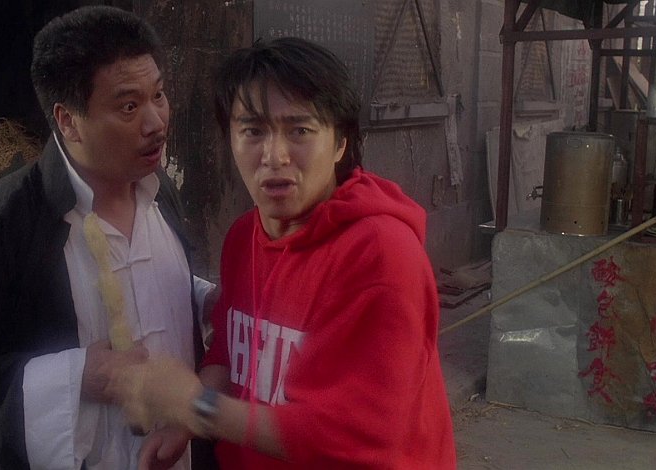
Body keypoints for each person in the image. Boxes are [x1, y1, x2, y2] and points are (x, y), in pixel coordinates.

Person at [116, 37, 457, 469]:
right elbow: (229, 351)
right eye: (253, 131)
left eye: (300, 131)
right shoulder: (243, 237)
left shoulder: (381, 255)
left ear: (340, 143)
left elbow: (357, 438)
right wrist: (184, 421)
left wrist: (197, 406)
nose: (274, 156)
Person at [0, 6, 217, 470]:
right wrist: (79, 377)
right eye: (129, 106)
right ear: (68, 120)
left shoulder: (160, 192)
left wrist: (206, 301)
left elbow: (153, 283)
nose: (156, 122)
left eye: (158, 95)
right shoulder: (4, 222)